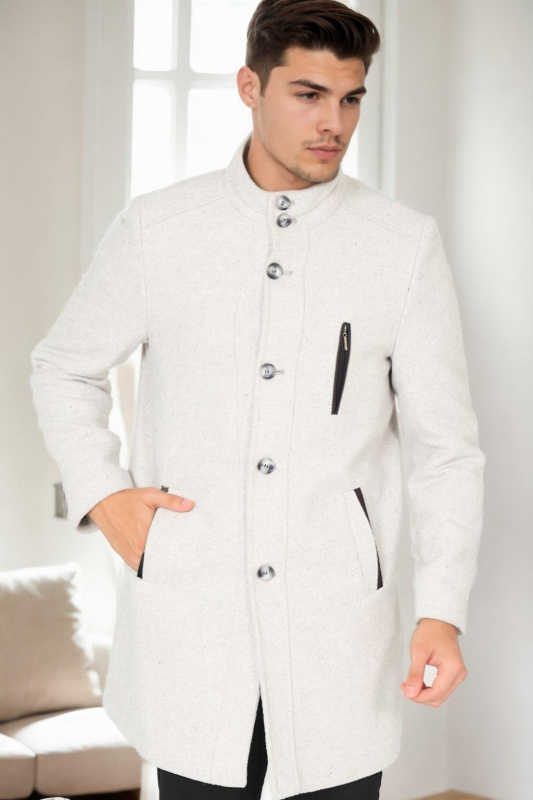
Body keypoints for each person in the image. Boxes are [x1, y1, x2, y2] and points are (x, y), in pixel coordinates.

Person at [29, 1, 485, 799]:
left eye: (349, 98)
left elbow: (445, 448)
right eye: (308, 95)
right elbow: (63, 366)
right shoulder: (159, 229)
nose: (333, 123)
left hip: (336, 623)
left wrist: (441, 610)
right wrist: (105, 495)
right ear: (250, 87)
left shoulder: (401, 246)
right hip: (191, 617)